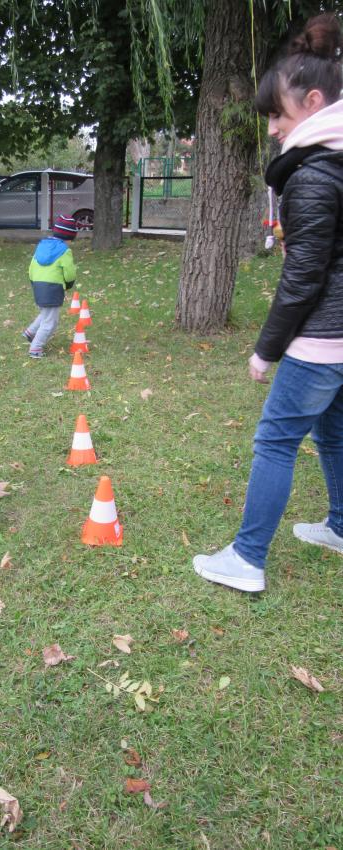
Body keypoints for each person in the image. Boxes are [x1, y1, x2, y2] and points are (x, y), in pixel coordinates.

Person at [194, 13, 343, 592]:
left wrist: (266, 349)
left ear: (312, 102)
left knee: (276, 440)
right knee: (332, 433)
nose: (274, 129)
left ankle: (247, 558)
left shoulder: (315, 174)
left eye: (278, 115)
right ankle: (339, 526)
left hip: (323, 338)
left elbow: (304, 277)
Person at [22, 213, 78, 358]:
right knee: (50, 321)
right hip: (53, 288)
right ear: (69, 237)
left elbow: (31, 267)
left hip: (38, 285)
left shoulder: (41, 246)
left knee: (46, 313)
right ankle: (35, 348)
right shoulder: (65, 251)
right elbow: (69, 273)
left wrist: (34, 282)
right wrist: (69, 284)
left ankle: (30, 332)